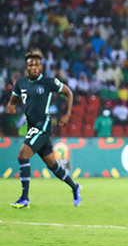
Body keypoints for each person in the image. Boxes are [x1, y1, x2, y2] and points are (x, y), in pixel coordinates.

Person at [6, 49, 82, 208]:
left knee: (22, 155)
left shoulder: (49, 82)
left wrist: (67, 115)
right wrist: (11, 105)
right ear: (26, 67)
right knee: (53, 165)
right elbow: (13, 99)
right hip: (32, 127)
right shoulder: (21, 83)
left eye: (36, 65)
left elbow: (68, 93)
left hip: (43, 125)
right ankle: (75, 187)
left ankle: (24, 198)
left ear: (41, 67)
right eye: (30, 65)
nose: (33, 67)